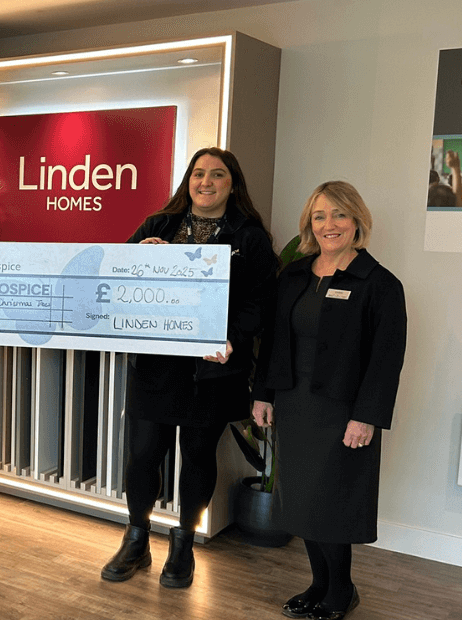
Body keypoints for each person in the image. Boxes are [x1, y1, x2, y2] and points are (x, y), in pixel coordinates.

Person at [101, 147, 278, 588]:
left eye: (217, 175)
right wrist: (140, 255)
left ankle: (183, 547)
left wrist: (230, 338)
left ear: (231, 184)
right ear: (188, 181)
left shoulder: (250, 238)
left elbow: (261, 305)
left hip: (212, 372)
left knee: (198, 458)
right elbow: (117, 277)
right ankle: (137, 540)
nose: (206, 182)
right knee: (142, 455)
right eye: (198, 174)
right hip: (156, 369)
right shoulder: (158, 224)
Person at [252, 181, 407, 620]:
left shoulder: (379, 284)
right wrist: (262, 395)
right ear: (309, 224)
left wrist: (366, 418)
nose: (329, 225)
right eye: (319, 216)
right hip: (294, 406)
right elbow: (275, 341)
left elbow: (385, 360)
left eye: (339, 215)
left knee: (332, 503)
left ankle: (341, 589)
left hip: (342, 413)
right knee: (302, 501)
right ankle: (318, 583)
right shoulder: (296, 276)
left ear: (357, 220)